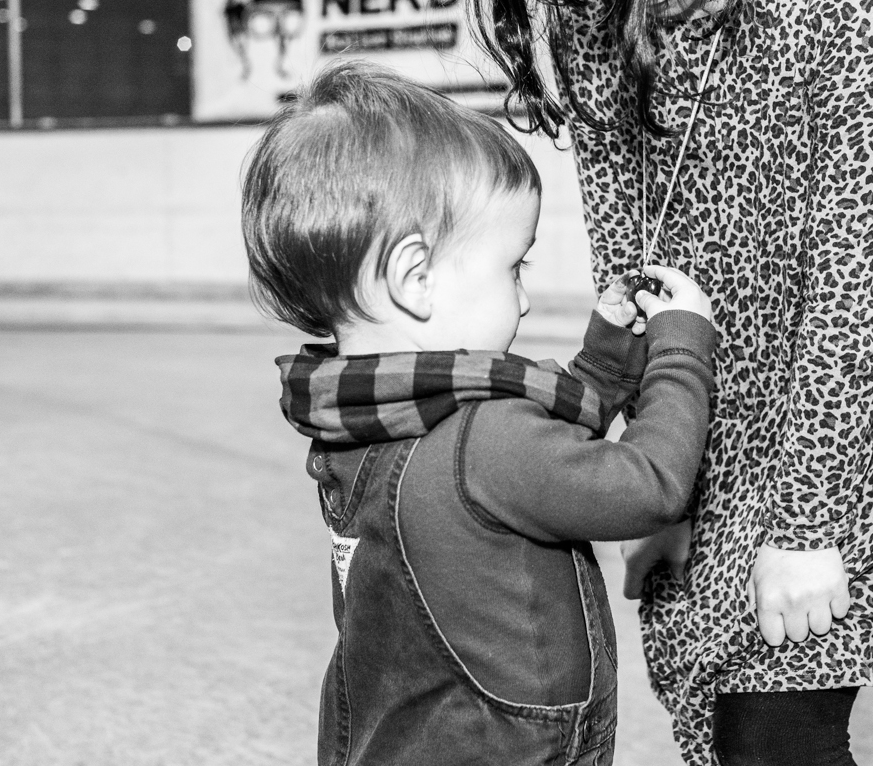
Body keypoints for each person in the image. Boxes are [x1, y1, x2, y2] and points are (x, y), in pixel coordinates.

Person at [458, 0, 873, 765]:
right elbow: (630, 262)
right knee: (709, 704)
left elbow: (854, 285)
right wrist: (662, 485)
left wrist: (806, 525)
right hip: (708, 376)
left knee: (774, 725)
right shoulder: (600, 6)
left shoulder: (850, 3)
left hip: (865, 388)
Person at [242, 61, 720, 765]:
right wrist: (682, 349)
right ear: (416, 278)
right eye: (513, 266)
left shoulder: (361, 412)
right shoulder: (485, 439)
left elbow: (542, 450)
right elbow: (647, 486)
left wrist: (608, 357)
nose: (524, 298)